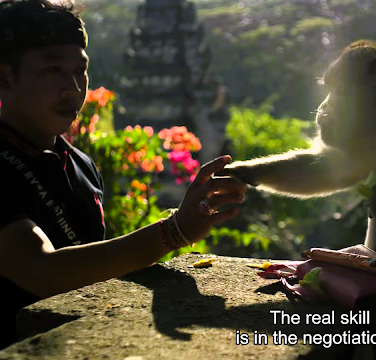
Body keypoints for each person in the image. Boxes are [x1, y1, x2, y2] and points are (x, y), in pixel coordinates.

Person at [0, 0, 246, 349]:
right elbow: (41, 270)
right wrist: (173, 232)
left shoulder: (81, 165)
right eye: (52, 70)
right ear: (4, 77)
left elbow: (94, 269)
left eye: (79, 70)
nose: (72, 87)